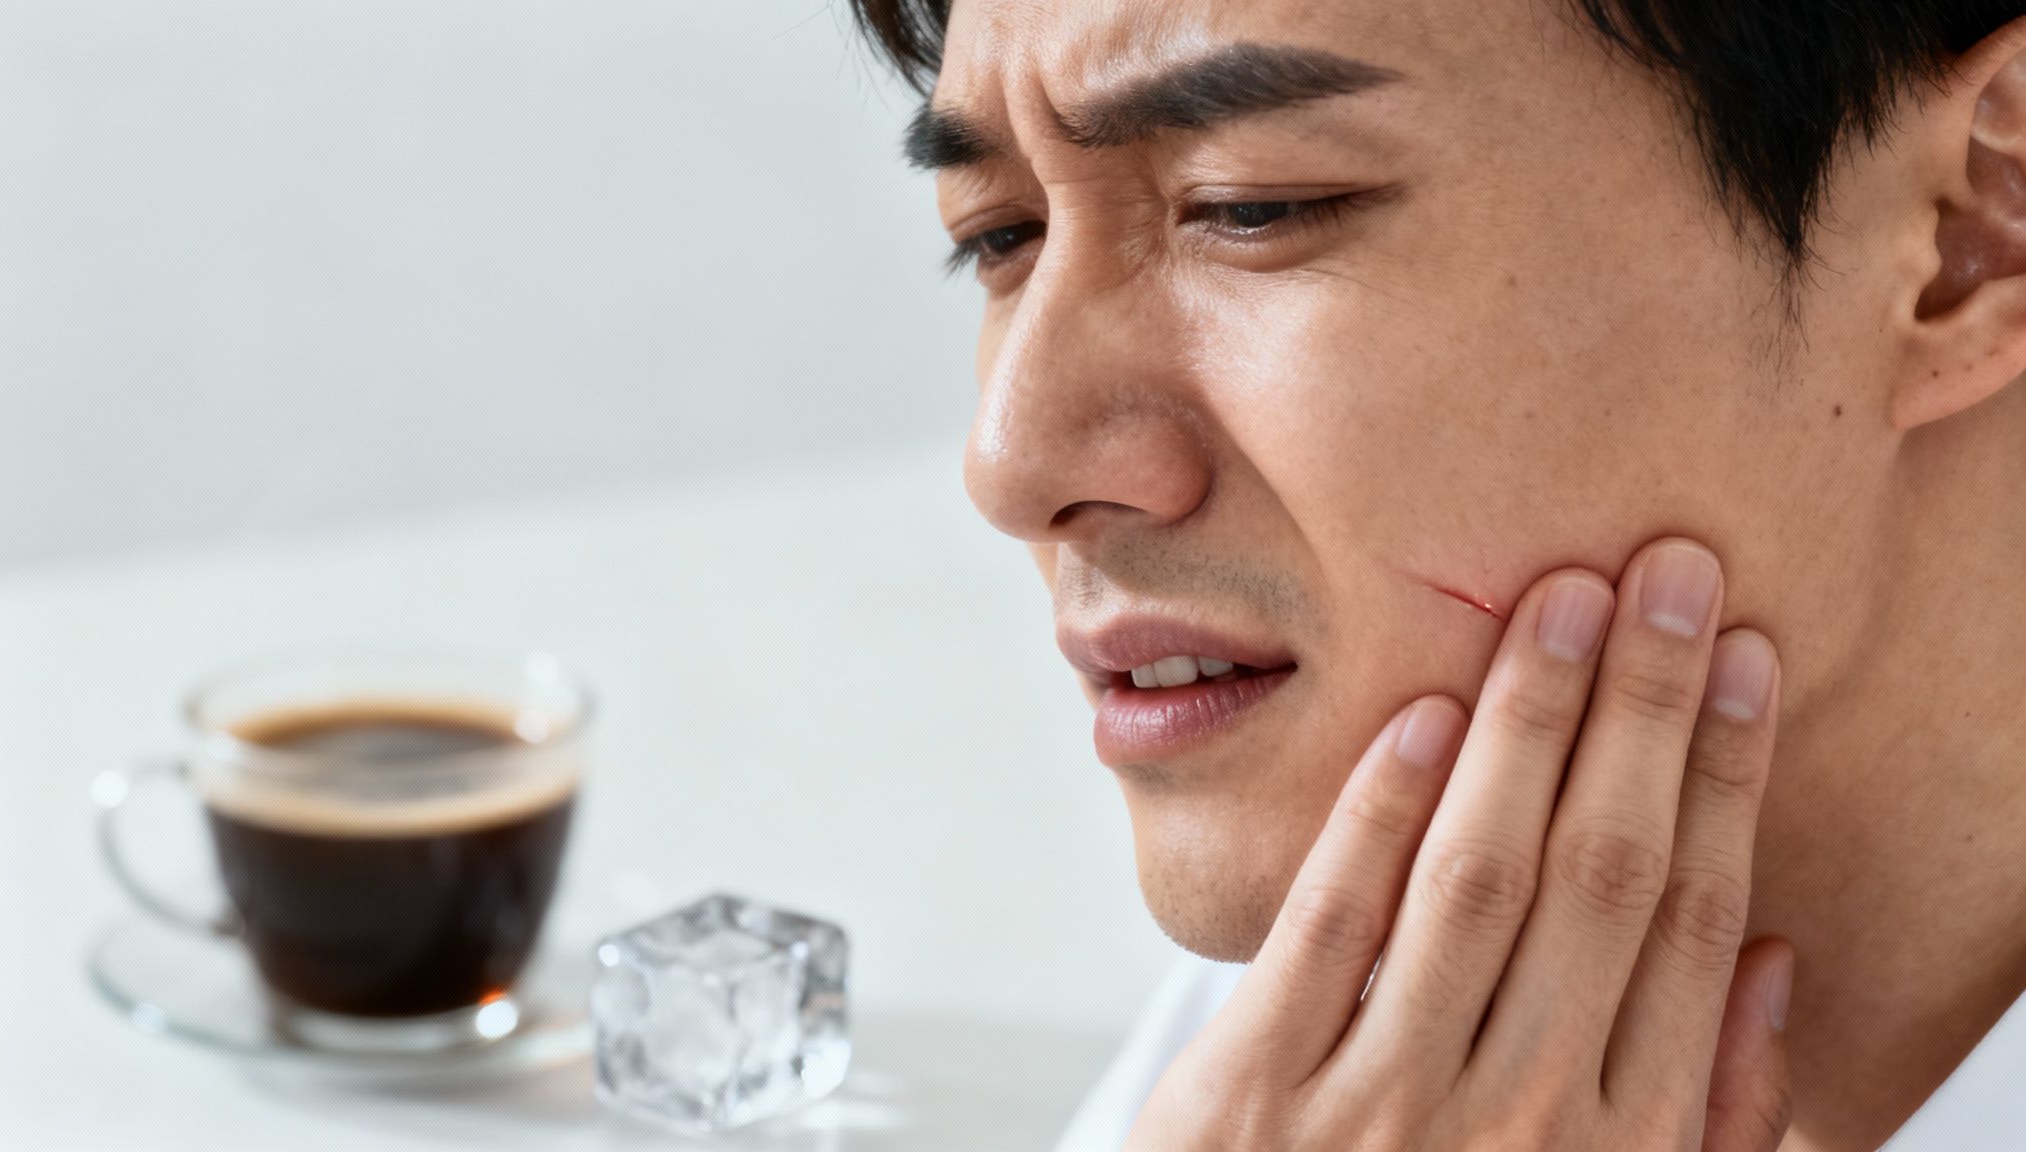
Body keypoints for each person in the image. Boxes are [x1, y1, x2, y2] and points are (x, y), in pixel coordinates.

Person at [847, 2, 2026, 1149]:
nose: (1008, 463)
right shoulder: (1342, 1057)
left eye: (1250, 207)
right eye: (998, 236)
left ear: (1969, 228)